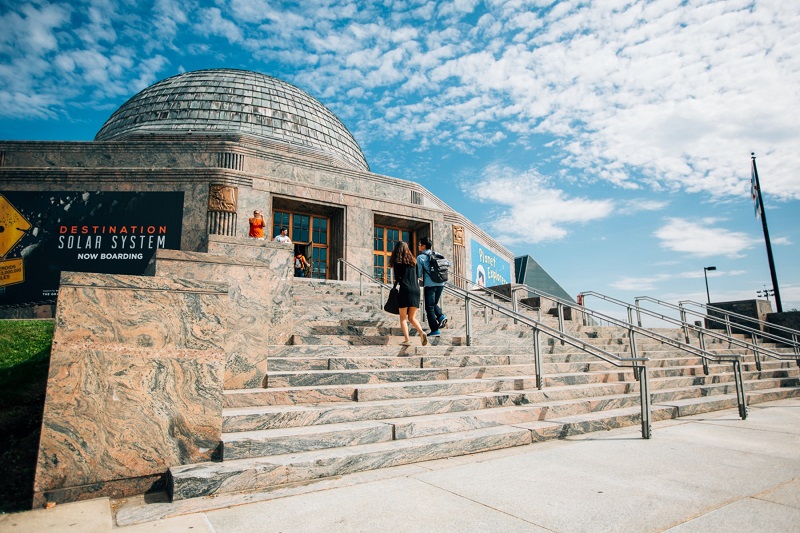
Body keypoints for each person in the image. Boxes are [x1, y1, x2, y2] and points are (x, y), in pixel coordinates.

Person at [389, 241, 427, 347]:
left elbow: (397, 278)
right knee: (412, 317)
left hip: (405, 290)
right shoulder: (414, 262)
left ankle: (407, 340)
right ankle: (421, 332)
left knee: (403, 318)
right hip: (416, 290)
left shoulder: (398, 262)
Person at [417, 237, 447, 337]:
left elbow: (419, 272)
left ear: (423, 246)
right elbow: (447, 263)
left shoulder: (420, 257)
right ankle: (441, 316)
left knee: (429, 307)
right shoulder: (437, 254)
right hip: (441, 283)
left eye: (419, 244)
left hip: (430, 284)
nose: (418, 246)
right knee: (433, 304)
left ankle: (435, 329)